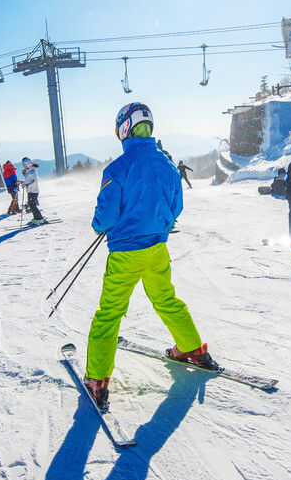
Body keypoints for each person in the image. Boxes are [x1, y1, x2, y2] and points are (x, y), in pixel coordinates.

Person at [83, 103, 218, 410]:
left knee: (109, 314)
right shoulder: (167, 165)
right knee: (166, 298)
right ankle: (192, 349)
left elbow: (105, 217)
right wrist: (158, 225)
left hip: (125, 255)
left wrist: (100, 226)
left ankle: (97, 379)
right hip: (157, 249)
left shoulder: (117, 169)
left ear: (124, 129)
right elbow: (176, 208)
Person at [20, 157, 46, 225]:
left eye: (24, 165)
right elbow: (28, 181)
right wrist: (23, 183)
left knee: (32, 205)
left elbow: (34, 182)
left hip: (33, 191)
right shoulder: (29, 171)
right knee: (31, 205)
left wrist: (26, 185)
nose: (23, 166)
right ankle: (36, 218)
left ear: (27, 164)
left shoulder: (32, 172)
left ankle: (39, 218)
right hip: (30, 191)